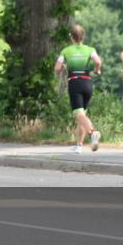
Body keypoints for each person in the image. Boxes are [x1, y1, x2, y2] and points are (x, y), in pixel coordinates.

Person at [54, 24, 102, 153]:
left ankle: (92, 133)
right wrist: (97, 70)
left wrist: (64, 67)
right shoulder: (90, 49)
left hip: (75, 83)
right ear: (83, 36)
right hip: (87, 83)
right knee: (82, 114)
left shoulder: (66, 51)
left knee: (79, 114)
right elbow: (98, 61)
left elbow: (57, 68)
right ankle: (79, 145)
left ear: (71, 37)